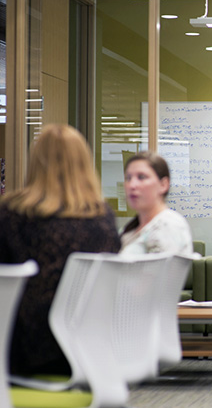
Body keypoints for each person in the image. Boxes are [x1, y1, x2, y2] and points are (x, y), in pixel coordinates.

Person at [0, 124, 120, 376]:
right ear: (84, 164)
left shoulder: (12, 214)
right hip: (90, 350)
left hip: (28, 353)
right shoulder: (103, 218)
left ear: (36, 162)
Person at [120, 151, 192, 256]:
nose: (132, 185)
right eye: (128, 178)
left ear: (163, 184)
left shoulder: (168, 225)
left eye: (141, 177)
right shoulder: (131, 228)